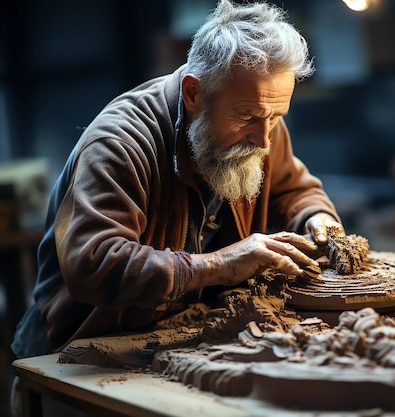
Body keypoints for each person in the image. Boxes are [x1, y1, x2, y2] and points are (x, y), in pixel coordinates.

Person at [11, 0, 344, 359]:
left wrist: (315, 218)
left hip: (186, 337)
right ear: (193, 94)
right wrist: (220, 265)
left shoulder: (261, 122)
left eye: (277, 116)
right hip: (80, 350)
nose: (264, 139)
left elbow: (292, 190)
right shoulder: (118, 144)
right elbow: (95, 263)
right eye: (247, 116)